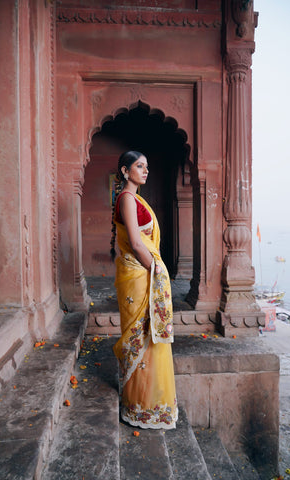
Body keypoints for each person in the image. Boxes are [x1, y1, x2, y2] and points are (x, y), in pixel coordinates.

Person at [111, 150, 178, 430]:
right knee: (142, 336)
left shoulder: (137, 200)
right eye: (139, 166)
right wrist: (158, 269)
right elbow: (137, 244)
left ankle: (152, 405)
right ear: (126, 171)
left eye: (147, 166)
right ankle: (139, 405)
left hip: (143, 272)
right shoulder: (127, 199)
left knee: (152, 340)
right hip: (139, 275)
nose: (145, 170)